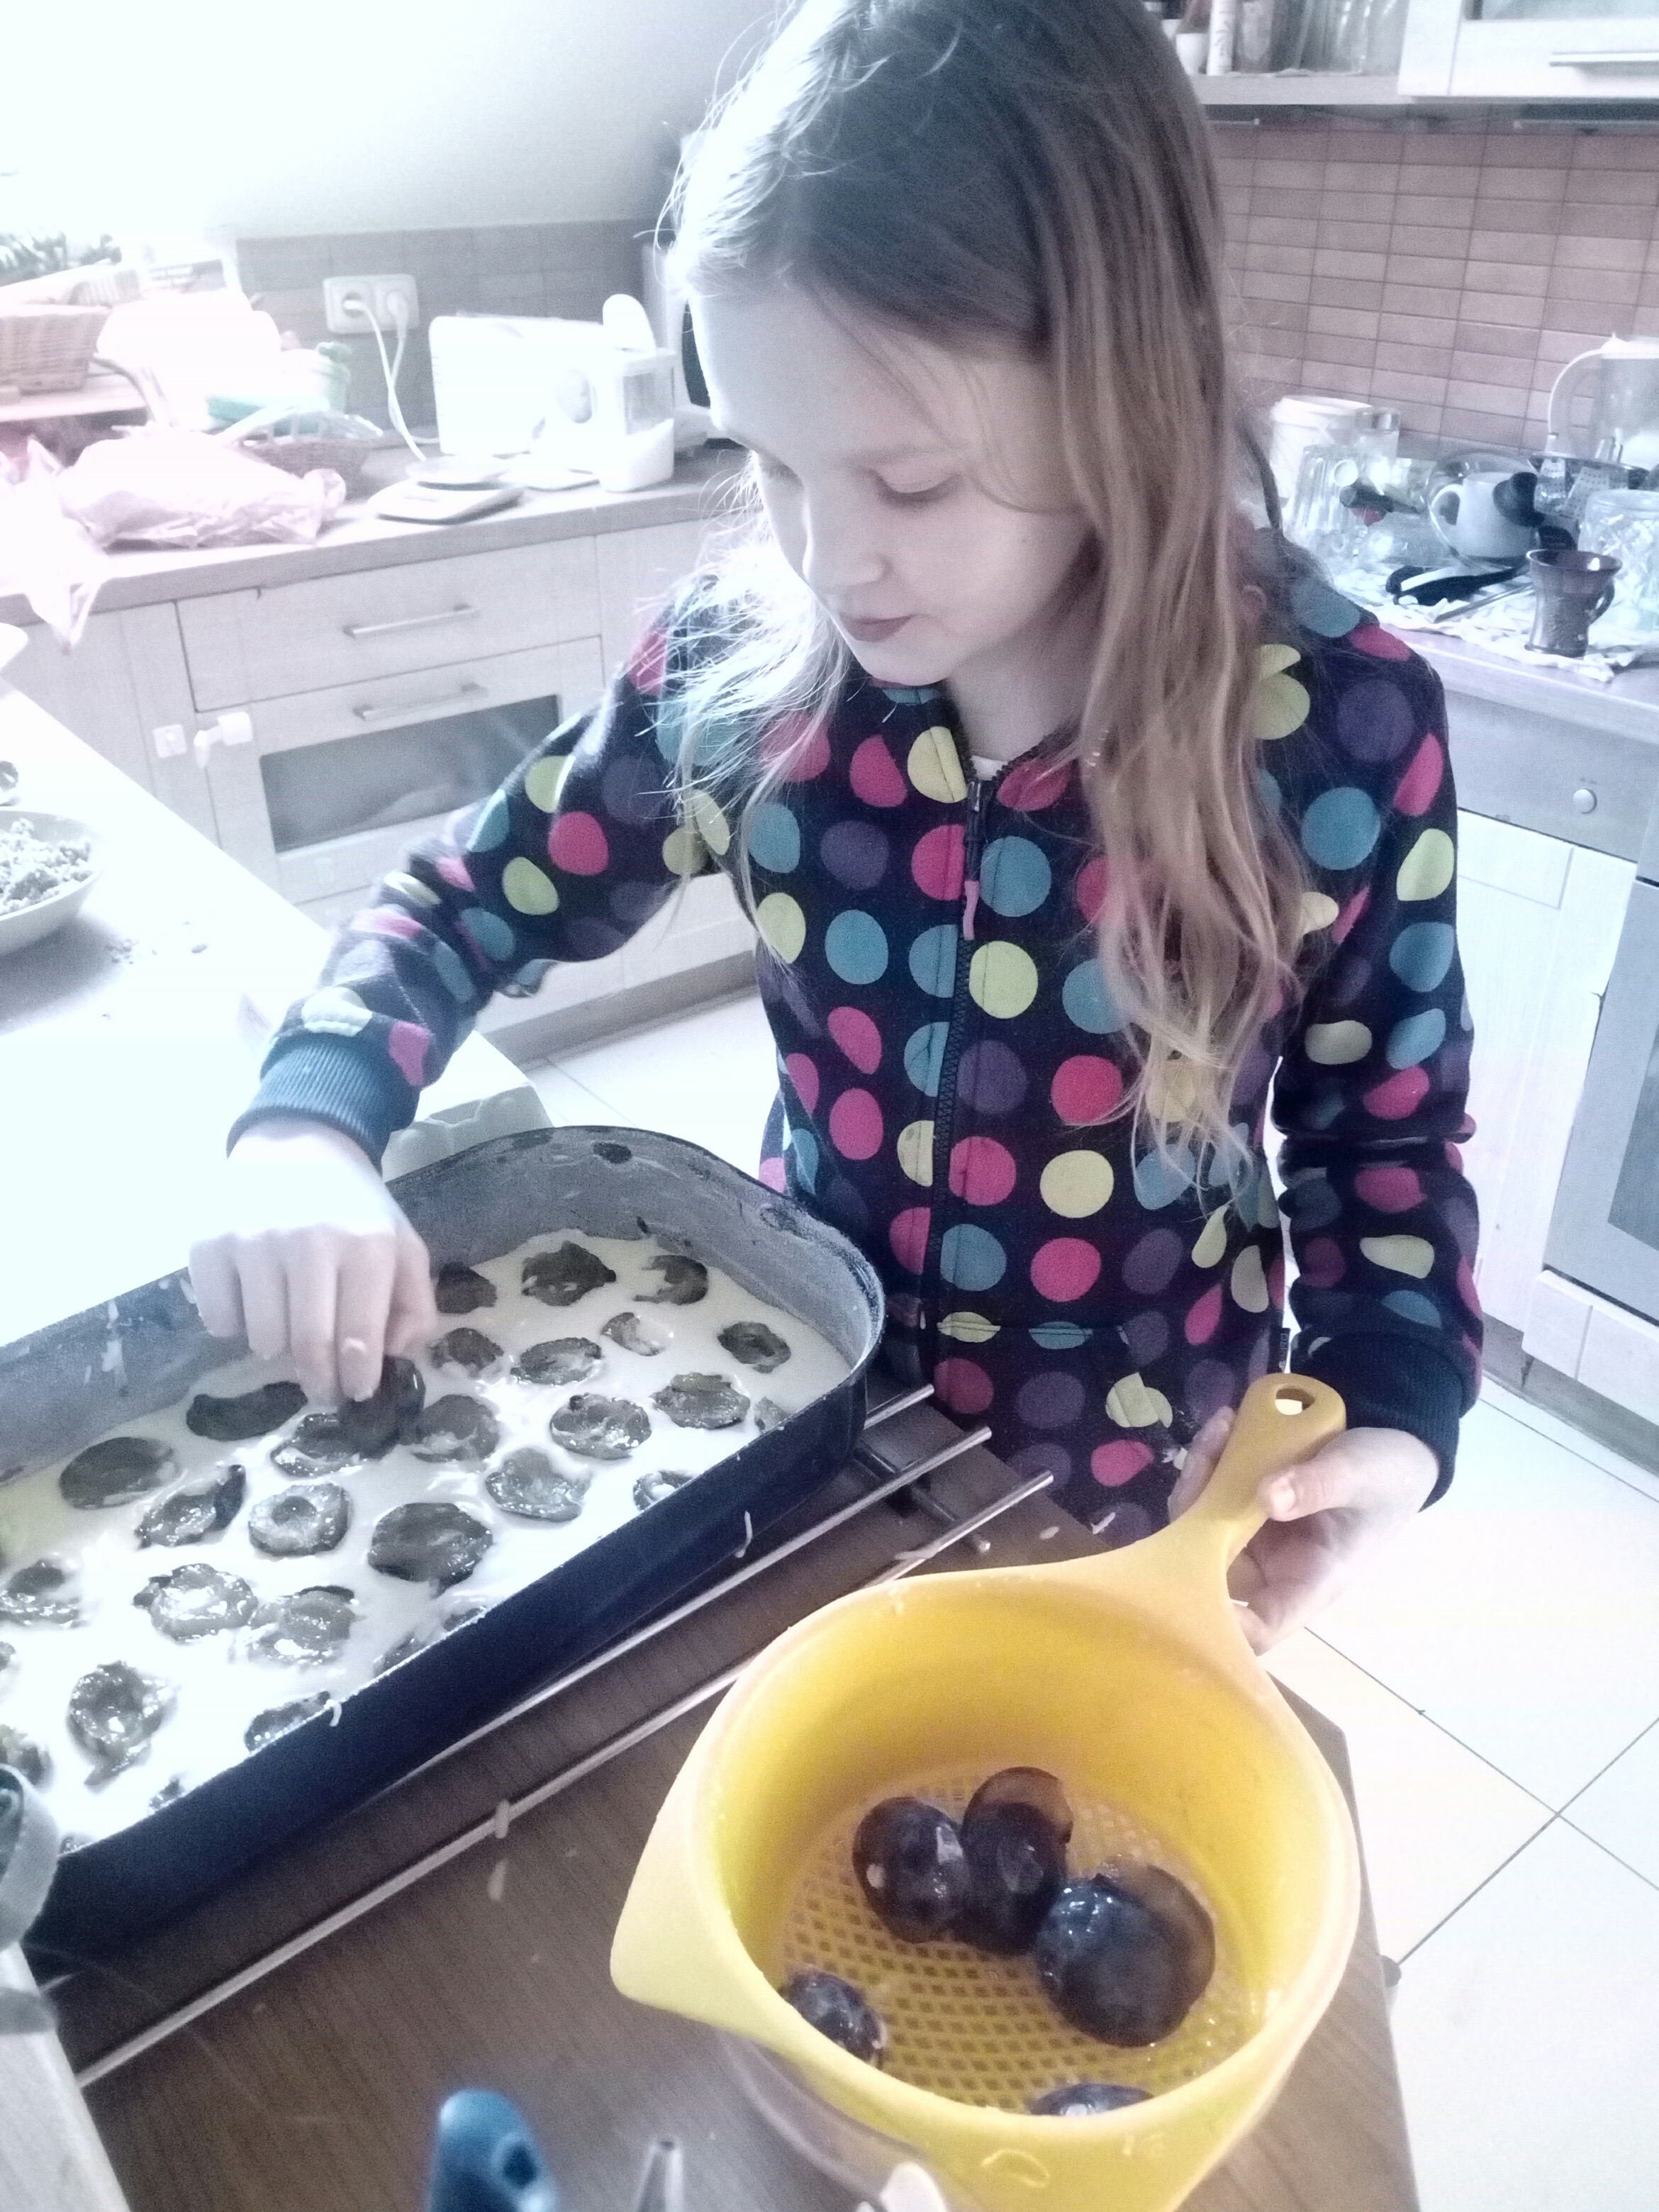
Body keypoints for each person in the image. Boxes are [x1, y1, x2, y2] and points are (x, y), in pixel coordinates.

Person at [190, 0, 1481, 1650]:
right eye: (773, 464)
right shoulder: (745, 674)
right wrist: (306, 1128)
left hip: (1130, 1482)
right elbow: (463, 902)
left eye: (911, 483)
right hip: (799, 1409)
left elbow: (1386, 1139)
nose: (826, 557)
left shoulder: (1334, 733)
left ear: (1120, 391)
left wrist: (1392, 1419)